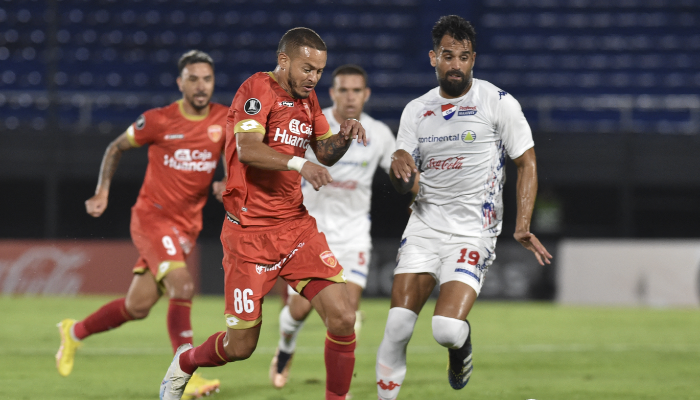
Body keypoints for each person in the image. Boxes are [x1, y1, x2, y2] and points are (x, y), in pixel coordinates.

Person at [158, 28, 367, 400]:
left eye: (319, 71)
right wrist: (299, 164)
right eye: (307, 69)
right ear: (284, 60)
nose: (313, 78)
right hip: (249, 237)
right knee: (240, 347)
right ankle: (186, 363)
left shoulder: (308, 99)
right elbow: (249, 148)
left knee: (343, 317)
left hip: (296, 228)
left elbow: (324, 151)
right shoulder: (257, 90)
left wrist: (345, 135)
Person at [375, 15, 553, 400]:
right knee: (398, 326)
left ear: (474, 59)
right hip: (423, 226)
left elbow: (527, 161)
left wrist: (522, 224)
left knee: (446, 330)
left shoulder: (498, 102)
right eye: (448, 55)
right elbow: (403, 168)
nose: (456, 64)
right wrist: (399, 171)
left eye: (464, 57)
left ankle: (461, 345)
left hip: (473, 230)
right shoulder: (416, 110)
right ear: (432, 58)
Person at [55, 50, 227, 399]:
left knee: (137, 306)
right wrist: (101, 191)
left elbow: (236, 154)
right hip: (153, 218)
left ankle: (73, 333)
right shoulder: (159, 120)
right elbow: (116, 147)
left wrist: (227, 180)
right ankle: (185, 374)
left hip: (186, 226)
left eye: (206, 79)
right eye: (192, 78)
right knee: (183, 287)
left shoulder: (224, 119)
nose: (200, 85)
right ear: (180, 83)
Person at [269, 64, 397, 389]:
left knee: (346, 315)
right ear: (332, 92)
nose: (350, 96)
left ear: (366, 94)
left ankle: (340, 388)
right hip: (310, 232)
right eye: (343, 89)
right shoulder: (310, 123)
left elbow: (398, 172)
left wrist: (410, 178)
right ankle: (285, 349)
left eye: (356, 90)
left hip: (354, 236)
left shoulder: (379, 133)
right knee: (297, 311)